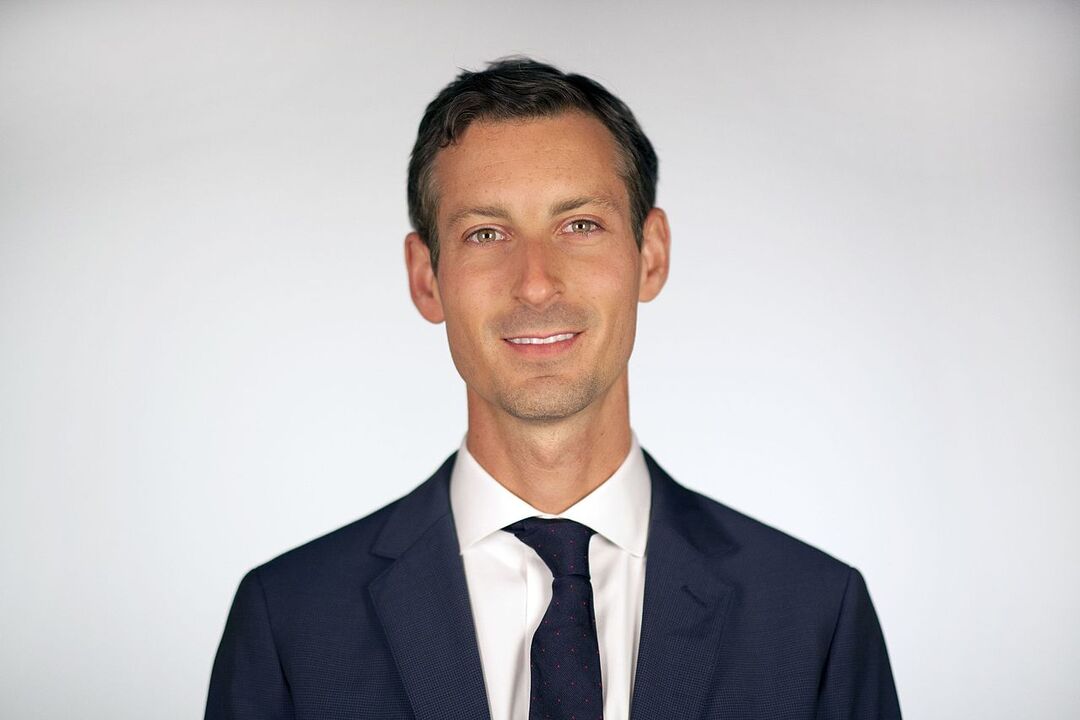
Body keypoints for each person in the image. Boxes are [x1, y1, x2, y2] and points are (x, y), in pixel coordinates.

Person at [205, 57, 901, 720]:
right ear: (426, 277)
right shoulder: (289, 621)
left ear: (651, 255)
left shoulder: (814, 616)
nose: (536, 283)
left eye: (580, 225)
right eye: (486, 234)